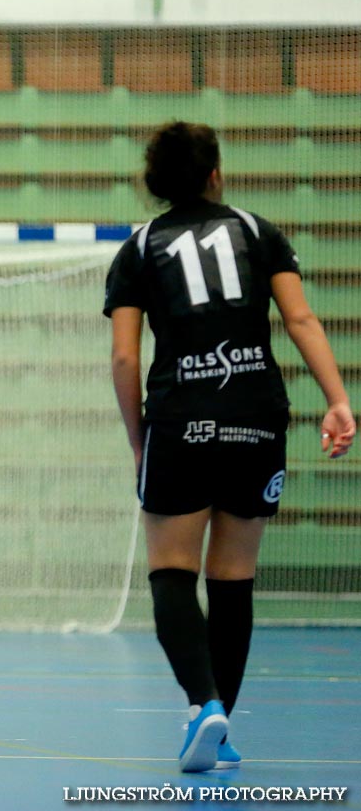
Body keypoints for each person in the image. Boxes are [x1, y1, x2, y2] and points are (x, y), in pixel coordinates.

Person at [104, 121, 354, 773]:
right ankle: (223, 724)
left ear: (155, 182)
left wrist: (140, 439)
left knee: (170, 570)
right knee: (234, 576)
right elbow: (299, 318)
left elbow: (126, 357)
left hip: (181, 420)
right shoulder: (256, 230)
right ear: (215, 174)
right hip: (256, 417)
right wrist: (338, 399)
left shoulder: (139, 247)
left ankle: (202, 702)